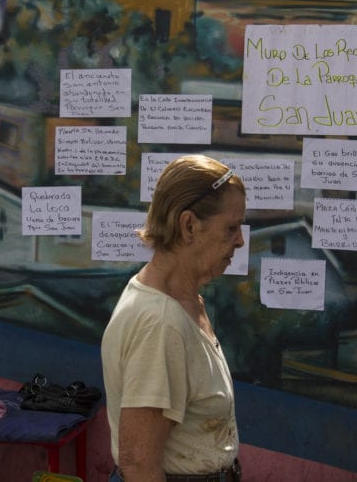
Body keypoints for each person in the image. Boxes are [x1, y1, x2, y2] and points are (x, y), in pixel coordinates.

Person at [102, 155, 246, 482]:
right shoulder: (160, 321)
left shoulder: (181, 301)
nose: (239, 241)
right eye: (231, 228)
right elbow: (138, 464)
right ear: (189, 225)